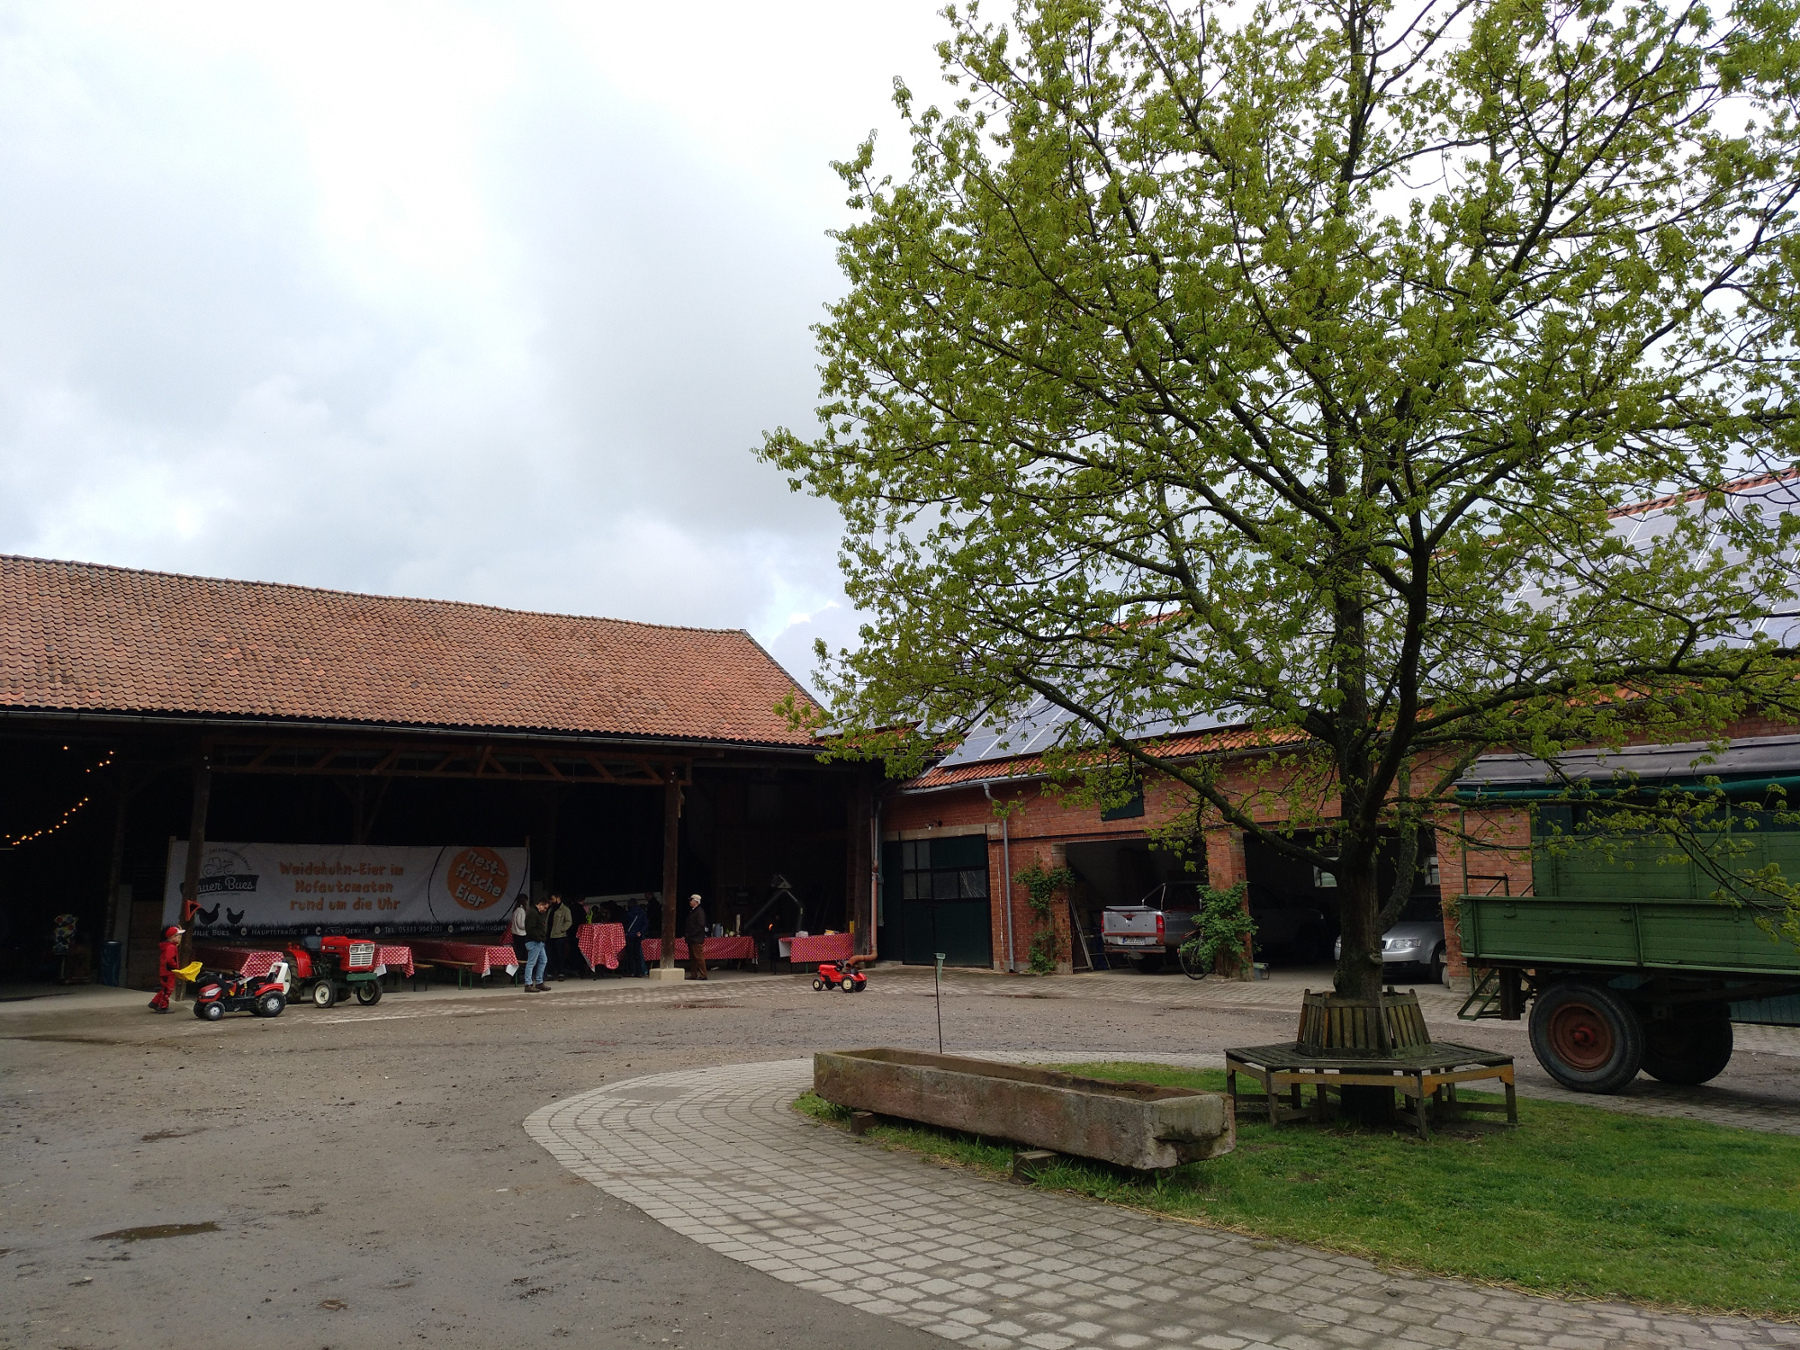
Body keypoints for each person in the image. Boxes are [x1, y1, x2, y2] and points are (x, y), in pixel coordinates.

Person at [149, 924, 183, 1013]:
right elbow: (169, 959)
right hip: (168, 972)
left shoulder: (168, 946)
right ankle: (163, 1006)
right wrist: (175, 967)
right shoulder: (171, 947)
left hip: (165, 971)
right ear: (172, 937)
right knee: (168, 989)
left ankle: (155, 1002)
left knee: (164, 988)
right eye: (178, 936)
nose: (180, 938)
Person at [522, 897, 553, 993]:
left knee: (543, 960)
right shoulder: (532, 913)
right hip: (534, 941)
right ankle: (528, 983)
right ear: (540, 904)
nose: (545, 910)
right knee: (531, 962)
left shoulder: (537, 913)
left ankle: (539, 982)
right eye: (545, 907)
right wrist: (539, 938)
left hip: (538, 941)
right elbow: (530, 928)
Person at [549, 892, 576, 981]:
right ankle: (551, 973)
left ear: (558, 898)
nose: (551, 901)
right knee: (550, 955)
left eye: (553, 899)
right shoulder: (551, 909)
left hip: (559, 936)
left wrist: (561, 929)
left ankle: (561, 972)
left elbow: (569, 922)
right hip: (550, 935)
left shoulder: (565, 909)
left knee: (560, 955)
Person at [684, 893, 709, 981]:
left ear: (696, 901)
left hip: (696, 938)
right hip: (692, 938)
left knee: (698, 957)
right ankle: (693, 974)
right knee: (693, 958)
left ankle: (703, 974)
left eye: (691, 900)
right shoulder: (694, 911)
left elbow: (701, 925)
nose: (690, 902)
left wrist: (692, 934)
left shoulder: (699, 911)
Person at [623, 898, 647, 978]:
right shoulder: (642, 913)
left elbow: (625, 923)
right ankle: (639, 972)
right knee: (637, 954)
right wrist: (641, 931)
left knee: (630, 954)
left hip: (629, 935)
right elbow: (645, 924)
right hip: (638, 935)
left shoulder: (628, 913)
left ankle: (631, 971)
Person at [509, 894, 529, 968]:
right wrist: (528, 926)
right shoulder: (520, 910)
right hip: (521, 935)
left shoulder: (515, 910)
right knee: (522, 954)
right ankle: (520, 970)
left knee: (519, 953)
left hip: (515, 934)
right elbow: (521, 924)